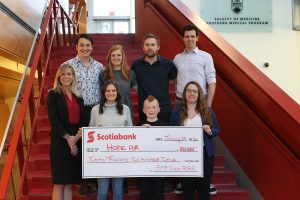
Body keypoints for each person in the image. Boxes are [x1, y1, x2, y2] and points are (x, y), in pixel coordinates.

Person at [173, 24, 218, 195]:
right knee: (180, 141)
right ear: (183, 38)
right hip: (180, 102)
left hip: (200, 102)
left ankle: (207, 181)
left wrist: (208, 105)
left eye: (193, 36)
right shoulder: (177, 58)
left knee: (205, 137)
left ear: (197, 37)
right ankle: (182, 180)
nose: (190, 39)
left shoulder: (206, 57)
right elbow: (176, 81)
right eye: (187, 36)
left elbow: (212, 82)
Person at [63, 33, 104, 195]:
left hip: (94, 109)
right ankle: (80, 182)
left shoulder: (99, 66)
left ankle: (93, 181)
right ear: (77, 47)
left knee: (94, 145)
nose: (85, 48)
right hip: (76, 109)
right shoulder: (68, 65)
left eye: (88, 45)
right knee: (79, 145)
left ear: (92, 47)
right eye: (82, 45)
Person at [169, 81, 220, 200]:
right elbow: (170, 132)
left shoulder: (207, 111)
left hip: (204, 154)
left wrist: (209, 130)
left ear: (199, 94)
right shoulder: (177, 112)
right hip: (185, 154)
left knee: (203, 188)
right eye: (189, 91)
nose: (191, 93)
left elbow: (217, 130)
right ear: (185, 93)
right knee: (187, 188)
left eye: (194, 91)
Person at [47, 64, 86, 200]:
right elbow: (54, 120)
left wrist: (76, 138)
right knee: (59, 184)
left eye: (69, 74)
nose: (66, 77)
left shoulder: (79, 97)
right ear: (59, 77)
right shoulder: (53, 94)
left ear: (73, 77)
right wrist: (69, 139)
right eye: (63, 74)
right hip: (60, 141)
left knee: (69, 184)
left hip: (76, 140)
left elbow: (83, 120)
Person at [89, 80, 132, 200]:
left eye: (113, 90)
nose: (110, 93)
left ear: (117, 93)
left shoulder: (125, 109)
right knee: (102, 190)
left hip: (120, 156)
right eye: (108, 91)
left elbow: (131, 132)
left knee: (118, 190)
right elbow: (91, 132)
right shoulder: (95, 110)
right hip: (101, 157)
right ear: (103, 93)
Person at [131, 33, 177, 124]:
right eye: (147, 45)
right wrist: (141, 90)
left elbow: (177, 81)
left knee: (164, 137)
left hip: (163, 109)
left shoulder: (168, 64)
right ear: (143, 47)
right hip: (145, 109)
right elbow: (131, 82)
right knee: (145, 137)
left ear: (158, 47)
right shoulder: (136, 65)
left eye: (153, 45)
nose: (150, 47)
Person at [138, 95, 167, 200]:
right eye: (148, 107)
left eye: (154, 107)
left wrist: (164, 168)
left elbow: (168, 149)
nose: (151, 110)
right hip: (143, 167)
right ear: (144, 110)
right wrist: (139, 132)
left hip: (159, 167)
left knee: (158, 193)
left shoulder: (165, 126)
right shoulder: (139, 125)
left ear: (158, 109)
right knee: (145, 193)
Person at [100, 44, 137, 120]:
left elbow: (139, 90)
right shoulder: (104, 74)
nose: (116, 57)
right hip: (108, 109)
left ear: (123, 57)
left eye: (119, 55)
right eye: (113, 55)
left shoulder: (130, 73)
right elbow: (101, 94)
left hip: (125, 108)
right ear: (109, 57)